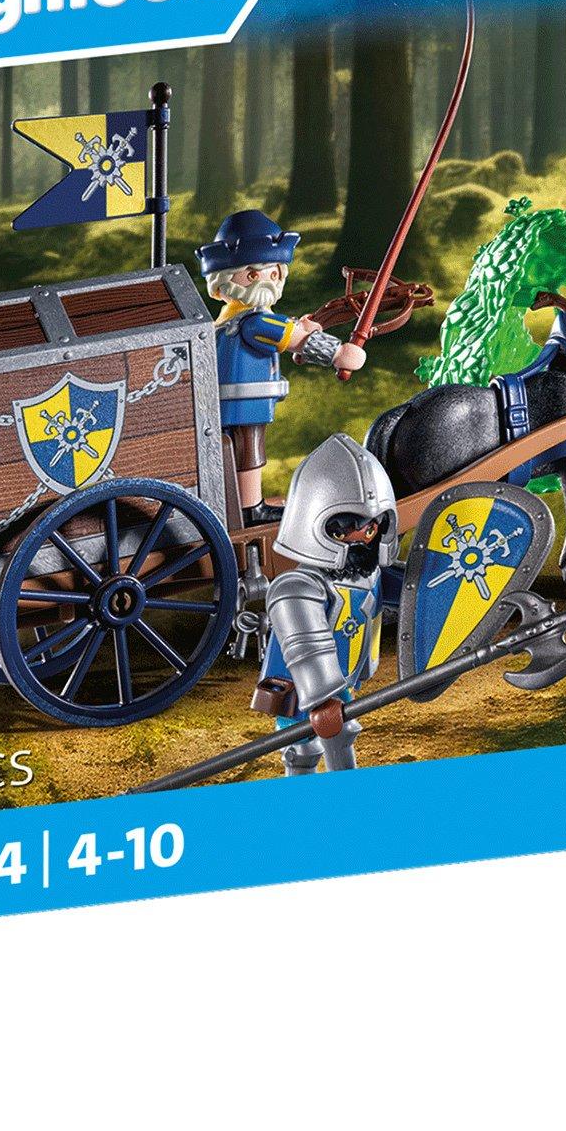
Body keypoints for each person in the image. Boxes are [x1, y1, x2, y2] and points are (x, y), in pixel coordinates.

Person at [196, 209, 365, 522]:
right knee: (249, 453)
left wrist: (304, 327)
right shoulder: (253, 321)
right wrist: (339, 353)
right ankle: (250, 509)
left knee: (239, 451)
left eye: (273, 274)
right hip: (243, 405)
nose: (265, 281)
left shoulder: (227, 321)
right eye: (252, 274)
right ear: (224, 280)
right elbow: (293, 338)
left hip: (234, 403)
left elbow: (291, 331)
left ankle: (236, 503)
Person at [253, 434, 400, 774]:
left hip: (341, 682)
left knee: (337, 736)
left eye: (371, 529)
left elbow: (417, 586)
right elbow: (307, 648)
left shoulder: (370, 574)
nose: (363, 538)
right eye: (348, 529)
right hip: (303, 689)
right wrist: (322, 698)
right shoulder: (298, 587)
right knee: (303, 748)